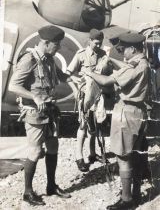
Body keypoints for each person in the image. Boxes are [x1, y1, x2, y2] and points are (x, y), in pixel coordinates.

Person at [85, 32, 151, 209]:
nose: (122, 52)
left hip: (126, 112)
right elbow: (127, 67)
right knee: (135, 154)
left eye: (124, 49)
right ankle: (135, 194)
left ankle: (126, 200)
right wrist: (112, 60)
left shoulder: (133, 67)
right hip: (139, 112)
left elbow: (107, 81)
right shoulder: (143, 62)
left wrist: (89, 72)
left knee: (123, 157)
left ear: (132, 49)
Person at [9, 25, 71, 206]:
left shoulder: (49, 59)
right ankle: (27, 192)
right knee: (35, 151)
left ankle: (51, 186)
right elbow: (14, 86)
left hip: (50, 111)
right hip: (34, 113)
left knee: (53, 147)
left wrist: (76, 77)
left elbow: (62, 76)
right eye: (57, 44)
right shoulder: (29, 60)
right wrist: (33, 96)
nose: (59, 47)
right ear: (46, 43)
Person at [66, 29, 114, 172]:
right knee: (83, 126)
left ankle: (92, 154)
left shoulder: (103, 55)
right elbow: (67, 74)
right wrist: (75, 90)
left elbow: (107, 75)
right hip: (85, 96)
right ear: (89, 40)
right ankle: (79, 157)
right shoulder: (81, 55)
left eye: (100, 43)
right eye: (96, 43)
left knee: (95, 126)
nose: (98, 46)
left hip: (98, 96)